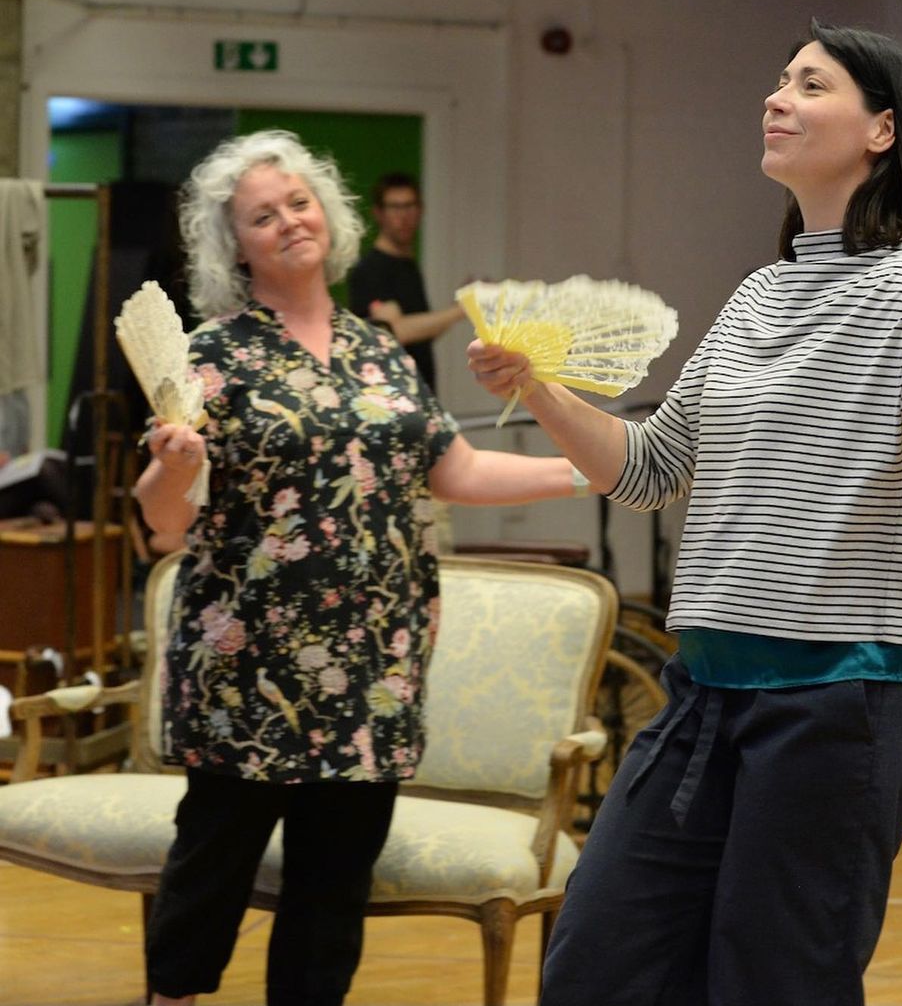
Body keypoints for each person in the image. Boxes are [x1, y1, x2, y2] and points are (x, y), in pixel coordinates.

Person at [467, 20, 902, 1006]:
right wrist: (543, 392)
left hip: (842, 701)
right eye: (779, 81)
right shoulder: (758, 294)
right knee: (600, 965)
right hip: (707, 689)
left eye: (810, 86)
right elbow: (649, 467)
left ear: (881, 130)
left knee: (776, 983)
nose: (777, 99)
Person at [133, 130, 590, 1006]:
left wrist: (598, 468)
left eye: (299, 202)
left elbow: (453, 470)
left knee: (333, 888)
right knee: (211, 870)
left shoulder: (380, 351)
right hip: (245, 672)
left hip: (373, 669)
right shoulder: (210, 356)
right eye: (263, 216)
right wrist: (177, 466)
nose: (289, 222)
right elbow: (159, 524)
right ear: (236, 245)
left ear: (329, 216)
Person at [346, 172, 465, 392]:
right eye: (395, 207)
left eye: (410, 206)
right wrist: (459, 310)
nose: (404, 216)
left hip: (420, 394)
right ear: (378, 213)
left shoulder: (408, 265)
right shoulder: (370, 269)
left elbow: (419, 335)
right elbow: (395, 331)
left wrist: (459, 305)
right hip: (390, 397)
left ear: (420, 210)